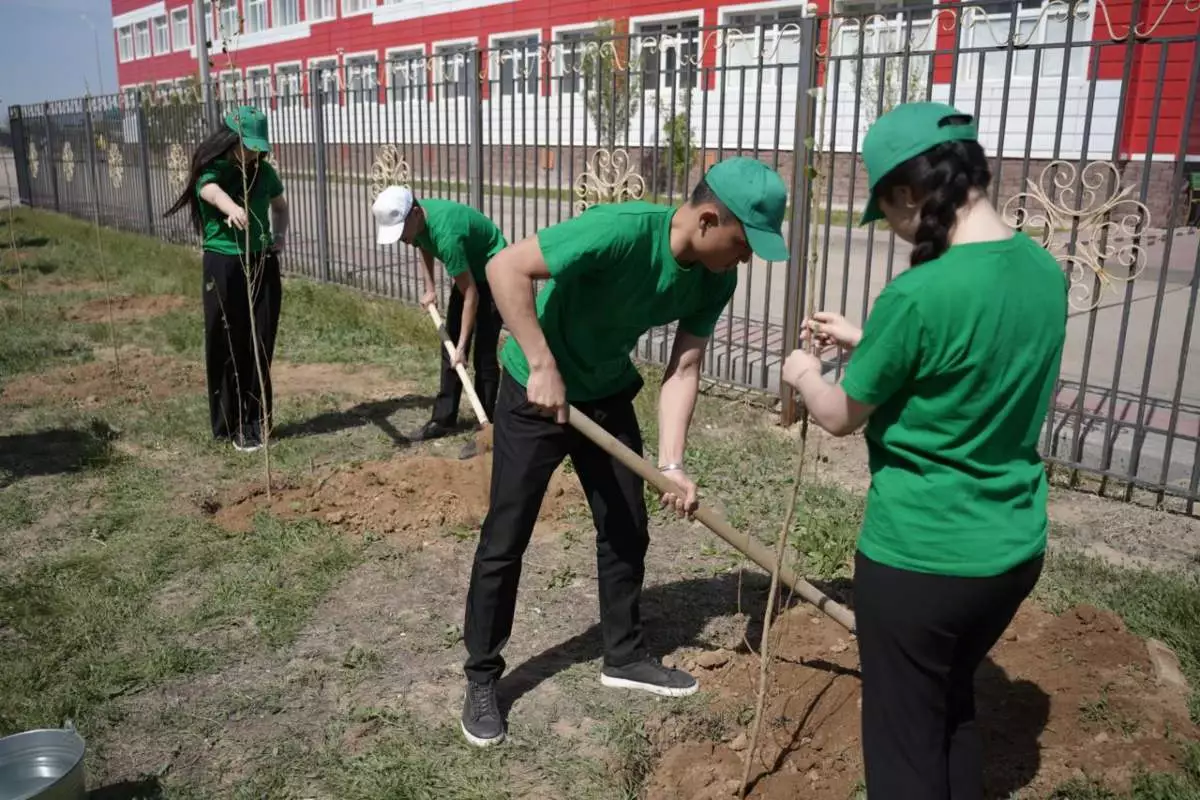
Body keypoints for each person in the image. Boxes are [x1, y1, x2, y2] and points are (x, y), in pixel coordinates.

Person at [780, 102, 1067, 799]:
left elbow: (842, 416)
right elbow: (967, 360)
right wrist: (865, 340)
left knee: (905, 748)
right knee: (951, 712)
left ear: (909, 194)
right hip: (1010, 552)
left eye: (890, 211)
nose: (897, 228)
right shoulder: (1042, 270)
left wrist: (804, 375)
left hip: (922, 560)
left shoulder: (917, 295)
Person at [459, 157, 791, 747]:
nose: (745, 260)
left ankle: (624, 656)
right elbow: (505, 266)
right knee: (505, 536)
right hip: (536, 393)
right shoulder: (619, 230)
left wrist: (671, 463)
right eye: (743, 244)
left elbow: (685, 365)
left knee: (626, 527)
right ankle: (482, 678)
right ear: (710, 219)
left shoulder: (716, 277)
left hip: (606, 390)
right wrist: (540, 363)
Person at [165, 105, 288, 452]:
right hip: (223, 263)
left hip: (261, 260)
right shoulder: (214, 169)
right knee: (226, 341)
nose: (255, 152)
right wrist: (231, 208)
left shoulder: (264, 172)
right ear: (231, 140)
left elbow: (281, 206)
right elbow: (209, 191)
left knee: (259, 341)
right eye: (249, 145)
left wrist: (279, 237)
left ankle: (253, 422)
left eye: (259, 147)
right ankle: (225, 423)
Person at [372, 186, 507, 459]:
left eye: (402, 233)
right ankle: (443, 419)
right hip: (469, 271)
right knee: (449, 348)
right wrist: (430, 286)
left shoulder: (447, 235)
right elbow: (422, 244)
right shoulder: (419, 221)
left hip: (494, 271)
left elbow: (471, 294)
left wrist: (462, 346)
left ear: (416, 214)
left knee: (483, 354)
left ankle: (488, 427)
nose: (403, 240)